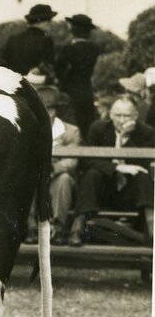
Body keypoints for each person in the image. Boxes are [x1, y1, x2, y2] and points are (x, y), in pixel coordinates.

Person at [68, 95, 155, 246]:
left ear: (135, 115)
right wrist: (116, 167)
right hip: (104, 188)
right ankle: (77, 227)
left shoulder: (146, 132)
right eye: (118, 115)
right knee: (91, 174)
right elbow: (87, 161)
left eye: (126, 115)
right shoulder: (98, 128)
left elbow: (144, 163)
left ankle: (152, 226)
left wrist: (124, 138)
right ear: (110, 115)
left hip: (131, 191)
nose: (122, 120)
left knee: (143, 177)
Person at [25, 86, 80, 245]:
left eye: (50, 109)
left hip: (56, 175)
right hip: (34, 175)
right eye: (40, 109)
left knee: (64, 179)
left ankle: (57, 227)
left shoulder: (71, 131)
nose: (46, 113)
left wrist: (53, 169)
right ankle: (30, 227)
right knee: (26, 178)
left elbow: (72, 160)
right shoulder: (27, 129)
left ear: (56, 110)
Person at [55, 13, 101, 134]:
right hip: (86, 89)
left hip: (70, 90)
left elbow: (58, 70)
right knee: (87, 122)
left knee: (71, 122)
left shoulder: (68, 49)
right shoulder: (94, 49)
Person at [1, 3, 56, 76]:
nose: (51, 24)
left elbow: (5, 63)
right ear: (42, 21)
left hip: (14, 83)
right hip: (35, 84)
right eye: (49, 20)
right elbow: (48, 65)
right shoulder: (46, 40)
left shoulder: (13, 39)